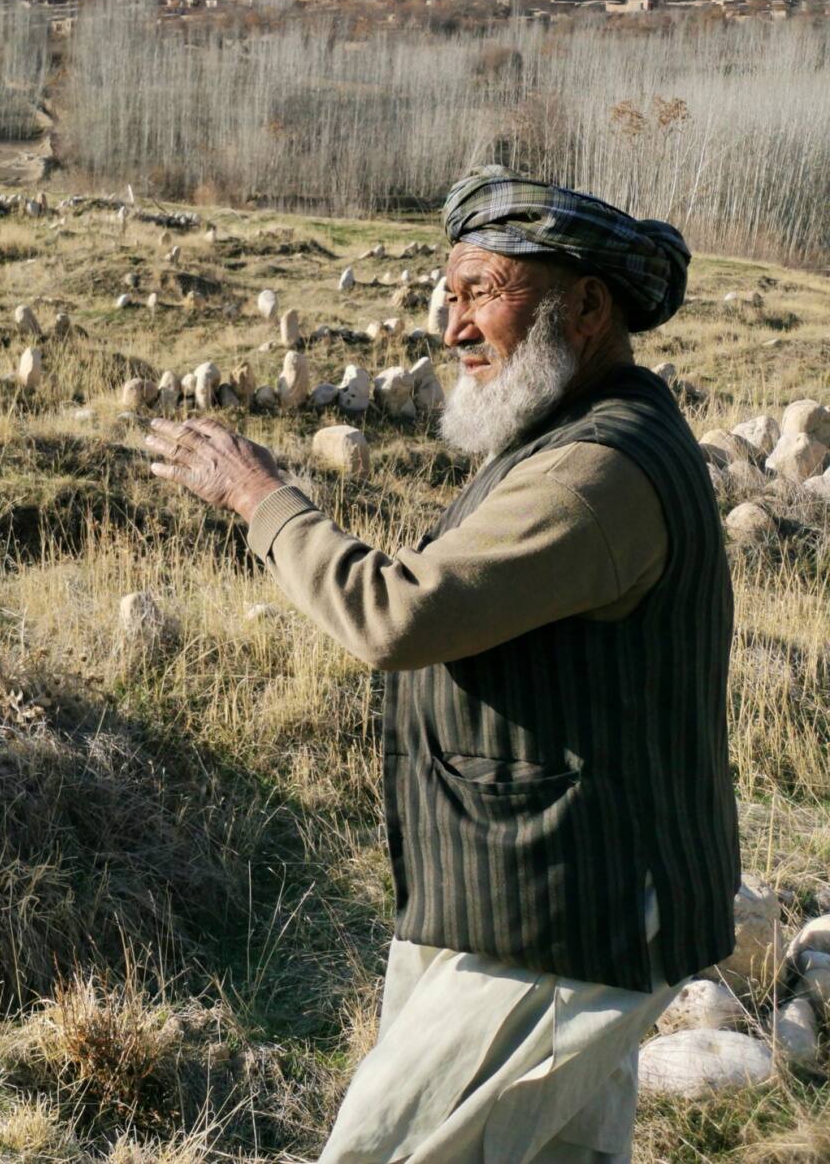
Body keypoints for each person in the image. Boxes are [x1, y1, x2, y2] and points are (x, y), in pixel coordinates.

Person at [145, 168, 739, 1162]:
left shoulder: (597, 474)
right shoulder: (569, 435)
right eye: (448, 296)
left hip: (564, 920)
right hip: (527, 895)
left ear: (584, 307)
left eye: (480, 291)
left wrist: (259, 499)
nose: (453, 326)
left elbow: (396, 613)